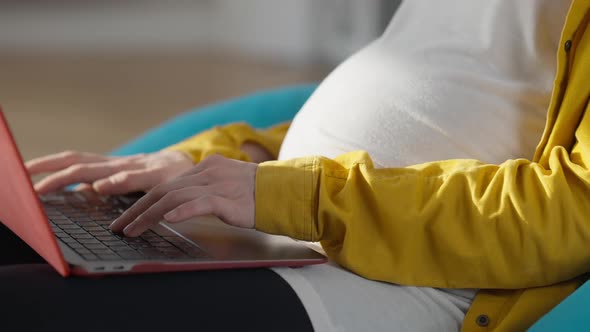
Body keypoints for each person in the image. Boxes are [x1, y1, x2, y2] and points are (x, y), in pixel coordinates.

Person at [2, 0, 589, 330]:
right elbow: (439, 101)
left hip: (395, 285)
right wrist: (219, 158)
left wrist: (300, 198)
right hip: (286, 228)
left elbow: (571, 212)